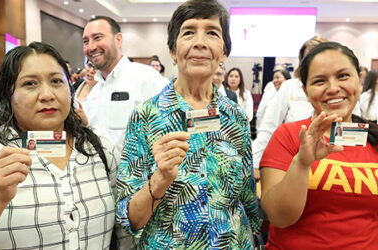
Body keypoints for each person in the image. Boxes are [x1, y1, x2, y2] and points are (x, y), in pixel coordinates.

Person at [116, 0, 261, 248]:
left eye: (212, 33)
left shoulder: (235, 116)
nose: (200, 42)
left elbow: (248, 202)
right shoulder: (145, 116)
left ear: (224, 52)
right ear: (173, 51)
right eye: (189, 32)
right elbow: (129, 218)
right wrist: (159, 180)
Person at [0, 42, 117, 249]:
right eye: (30, 84)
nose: (47, 95)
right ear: (8, 95)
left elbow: (123, 234)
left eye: (56, 81)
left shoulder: (101, 149)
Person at [260, 42, 378, 249]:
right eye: (319, 81)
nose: (333, 88)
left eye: (343, 76)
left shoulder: (374, 139)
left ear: (359, 80)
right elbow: (279, 217)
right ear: (305, 91)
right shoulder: (288, 136)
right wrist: (302, 164)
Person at [82, 16, 166, 154]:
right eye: (86, 41)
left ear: (118, 39)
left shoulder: (146, 78)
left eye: (97, 38)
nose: (91, 47)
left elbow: (169, 130)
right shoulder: (95, 91)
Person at [252, 36, 329, 177]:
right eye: (308, 58)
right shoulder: (289, 86)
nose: (314, 62)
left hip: (329, 162)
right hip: (292, 160)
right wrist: (255, 163)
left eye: (318, 55)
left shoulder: (337, 90)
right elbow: (269, 125)